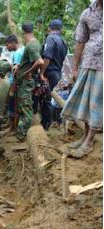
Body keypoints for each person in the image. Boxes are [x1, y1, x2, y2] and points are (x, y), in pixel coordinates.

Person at [62, 0, 102, 158]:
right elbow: (80, 41)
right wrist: (75, 67)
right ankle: (85, 137)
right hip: (89, 62)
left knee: (98, 104)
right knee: (87, 102)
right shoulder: (87, 13)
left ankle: (89, 143)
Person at [14, 23, 43, 141]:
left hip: (26, 82)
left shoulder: (31, 45)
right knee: (23, 106)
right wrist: (20, 66)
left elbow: (39, 61)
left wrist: (27, 72)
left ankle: (22, 135)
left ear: (23, 32)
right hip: (26, 81)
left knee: (25, 108)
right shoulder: (35, 43)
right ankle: (21, 132)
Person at [39, 19, 68, 130]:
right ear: (61, 29)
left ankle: (47, 125)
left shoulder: (50, 39)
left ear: (49, 28)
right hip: (58, 73)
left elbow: (47, 57)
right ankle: (58, 123)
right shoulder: (63, 41)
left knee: (47, 99)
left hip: (49, 72)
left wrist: (41, 72)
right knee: (57, 99)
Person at [4, 35, 25, 134]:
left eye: (7, 45)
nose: (6, 47)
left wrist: (12, 88)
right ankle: (11, 125)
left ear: (13, 43)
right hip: (18, 83)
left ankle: (12, 128)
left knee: (12, 105)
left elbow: (16, 72)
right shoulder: (22, 50)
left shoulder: (17, 54)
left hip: (15, 84)